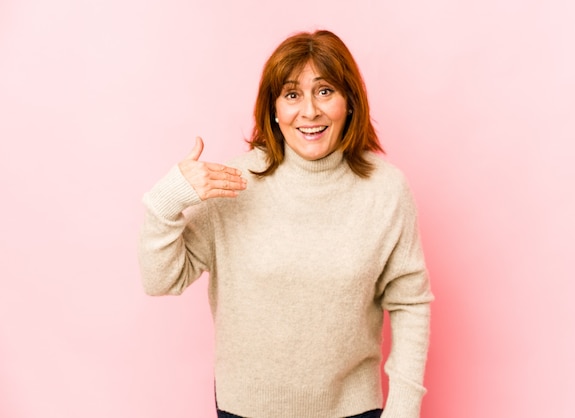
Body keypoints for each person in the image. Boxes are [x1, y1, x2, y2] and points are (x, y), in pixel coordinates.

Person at [138, 29, 433, 418]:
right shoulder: (232, 182)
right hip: (245, 410)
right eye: (292, 95)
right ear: (274, 110)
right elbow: (161, 279)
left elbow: (410, 301)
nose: (309, 111)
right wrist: (166, 199)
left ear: (350, 103)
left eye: (325, 91)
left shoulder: (386, 188)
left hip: (353, 410)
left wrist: (404, 406)